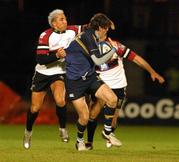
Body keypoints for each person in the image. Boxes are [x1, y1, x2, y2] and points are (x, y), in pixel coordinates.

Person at [85, 34, 165, 149]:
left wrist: (152, 71)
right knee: (93, 113)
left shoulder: (117, 46)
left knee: (114, 121)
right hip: (101, 84)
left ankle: (109, 134)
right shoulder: (90, 48)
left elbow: (137, 59)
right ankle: (89, 142)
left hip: (118, 86)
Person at [23, 9, 83, 149]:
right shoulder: (46, 35)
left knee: (60, 100)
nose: (65, 21)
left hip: (59, 72)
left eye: (65, 18)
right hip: (43, 73)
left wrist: (102, 22)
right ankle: (28, 132)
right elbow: (41, 59)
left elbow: (89, 27)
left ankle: (62, 129)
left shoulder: (72, 30)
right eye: (62, 19)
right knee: (35, 108)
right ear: (54, 24)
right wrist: (57, 55)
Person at [65, 13, 122, 151]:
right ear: (101, 28)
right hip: (75, 81)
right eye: (106, 28)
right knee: (84, 117)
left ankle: (107, 132)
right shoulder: (88, 36)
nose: (107, 30)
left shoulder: (92, 34)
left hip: (90, 77)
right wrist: (114, 49)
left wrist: (109, 22)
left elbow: (94, 21)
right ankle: (79, 141)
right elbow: (98, 61)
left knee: (112, 99)